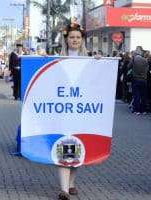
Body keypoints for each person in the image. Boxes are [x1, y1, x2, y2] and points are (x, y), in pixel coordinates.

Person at [58, 22, 100, 200]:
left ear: (82, 40)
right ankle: (64, 190)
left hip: (81, 112)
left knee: (76, 147)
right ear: (66, 40)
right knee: (62, 145)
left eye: (77, 37)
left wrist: (99, 62)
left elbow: (97, 82)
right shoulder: (57, 59)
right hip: (61, 111)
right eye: (71, 37)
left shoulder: (91, 58)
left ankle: (72, 183)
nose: (74, 40)